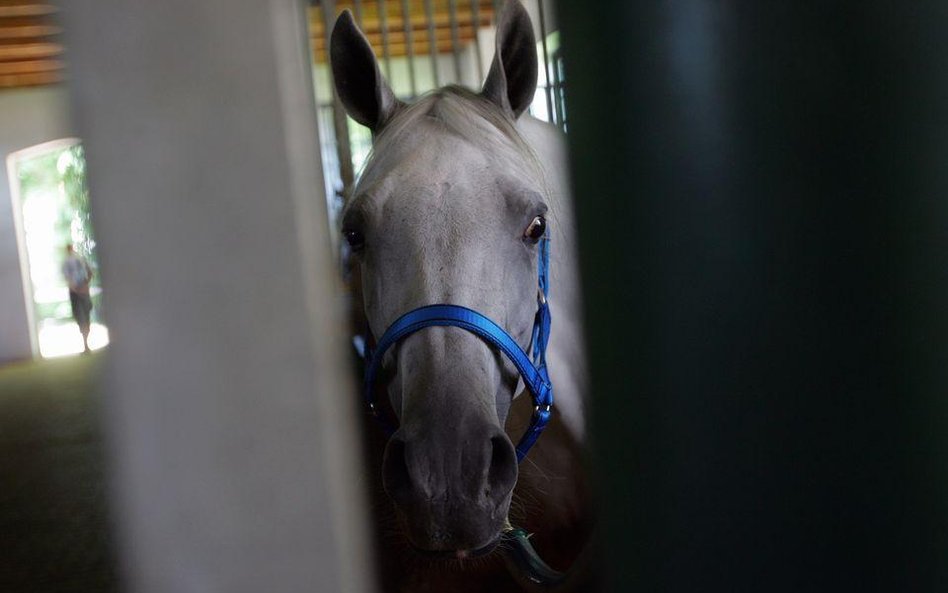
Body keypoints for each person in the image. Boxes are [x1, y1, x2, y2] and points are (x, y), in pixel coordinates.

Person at [62, 244, 94, 353]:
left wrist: (77, 289)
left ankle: (86, 344)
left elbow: (69, 278)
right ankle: (86, 344)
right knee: (84, 316)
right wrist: (84, 287)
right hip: (81, 292)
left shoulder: (71, 262)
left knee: (82, 317)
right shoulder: (79, 260)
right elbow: (89, 274)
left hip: (78, 292)